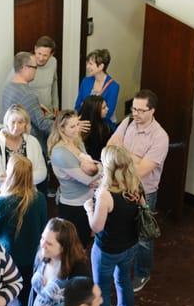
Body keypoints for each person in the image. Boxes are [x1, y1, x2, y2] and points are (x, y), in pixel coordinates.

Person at [107, 89, 169, 293]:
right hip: (121, 187)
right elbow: (109, 148)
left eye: (141, 110)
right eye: (134, 108)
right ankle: (123, 267)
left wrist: (123, 154)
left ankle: (143, 272)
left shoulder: (160, 137)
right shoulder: (126, 123)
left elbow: (142, 171)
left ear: (153, 111)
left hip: (144, 192)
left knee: (143, 237)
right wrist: (134, 157)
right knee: (123, 230)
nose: (136, 114)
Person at [84, 145, 141, 306]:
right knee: (124, 281)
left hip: (107, 250)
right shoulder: (135, 186)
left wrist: (88, 208)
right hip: (130, 245)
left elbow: (97, 227)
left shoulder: (105, 195)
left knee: (102, 291)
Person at [0, 154, 47, 306]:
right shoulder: (40, 198)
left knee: (6, 293)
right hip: (33, 256)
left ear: (10, 174)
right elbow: (43, 226)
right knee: (27, 293)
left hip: (9, 259)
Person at [26, 218, 91, 306]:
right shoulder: (42, 254)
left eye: (49, 243)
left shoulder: (79, 270)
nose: (42, 244)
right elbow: (34, 291)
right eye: (42, 238)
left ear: (63, 248)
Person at [49, 110, 102, 248]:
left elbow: (92, 167)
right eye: (72, 126)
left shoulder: (77, 142)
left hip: (88, 199)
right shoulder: (60, 153)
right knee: (74, 246)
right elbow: (88, 179)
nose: (77, 129)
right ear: (61, 129)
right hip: (73, 206)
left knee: (84, 241)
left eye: (77, 124)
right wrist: (101, 168)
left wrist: (97, 169)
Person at [0, 104, 47, 191]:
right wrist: (26, 179)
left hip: (30, 194)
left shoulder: (33, 142)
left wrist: (11, 179)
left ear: (26, 124)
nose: (16, 127)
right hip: (6, 195)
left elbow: (42, 173)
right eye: (13, 122)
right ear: (7, 122)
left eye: (20, 122)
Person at [2, 51, 54, 145]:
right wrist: (63, 125)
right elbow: (42, 124)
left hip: (13, 140)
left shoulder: (8, 87)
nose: (36, 71)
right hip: (30, 144)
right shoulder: (28, 95)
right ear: (25, 68)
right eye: (35, 67)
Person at [5, 36, 60, 112]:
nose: (41, 58)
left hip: (48, 112)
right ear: (35, 49)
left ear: (51, 54)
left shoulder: (53, 62)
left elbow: (54, 82)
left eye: (45, 55)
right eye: (39, 53)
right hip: (28, 112)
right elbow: (9, 87)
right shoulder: (24, 62)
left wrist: (55, 105)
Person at [75, 49, 120, 131]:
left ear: (101, 66)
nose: (87, 67)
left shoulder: (113, 86)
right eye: (87, 63)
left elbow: (108, 113)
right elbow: (78, 106)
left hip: (104, 126)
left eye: (90, 64)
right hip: (86, 124)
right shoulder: (85, 81)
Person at [79, 95, 111, 161]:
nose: (107, 109)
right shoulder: (102, 130)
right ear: (94, 110)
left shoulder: (104, 126)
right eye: (103, 107)